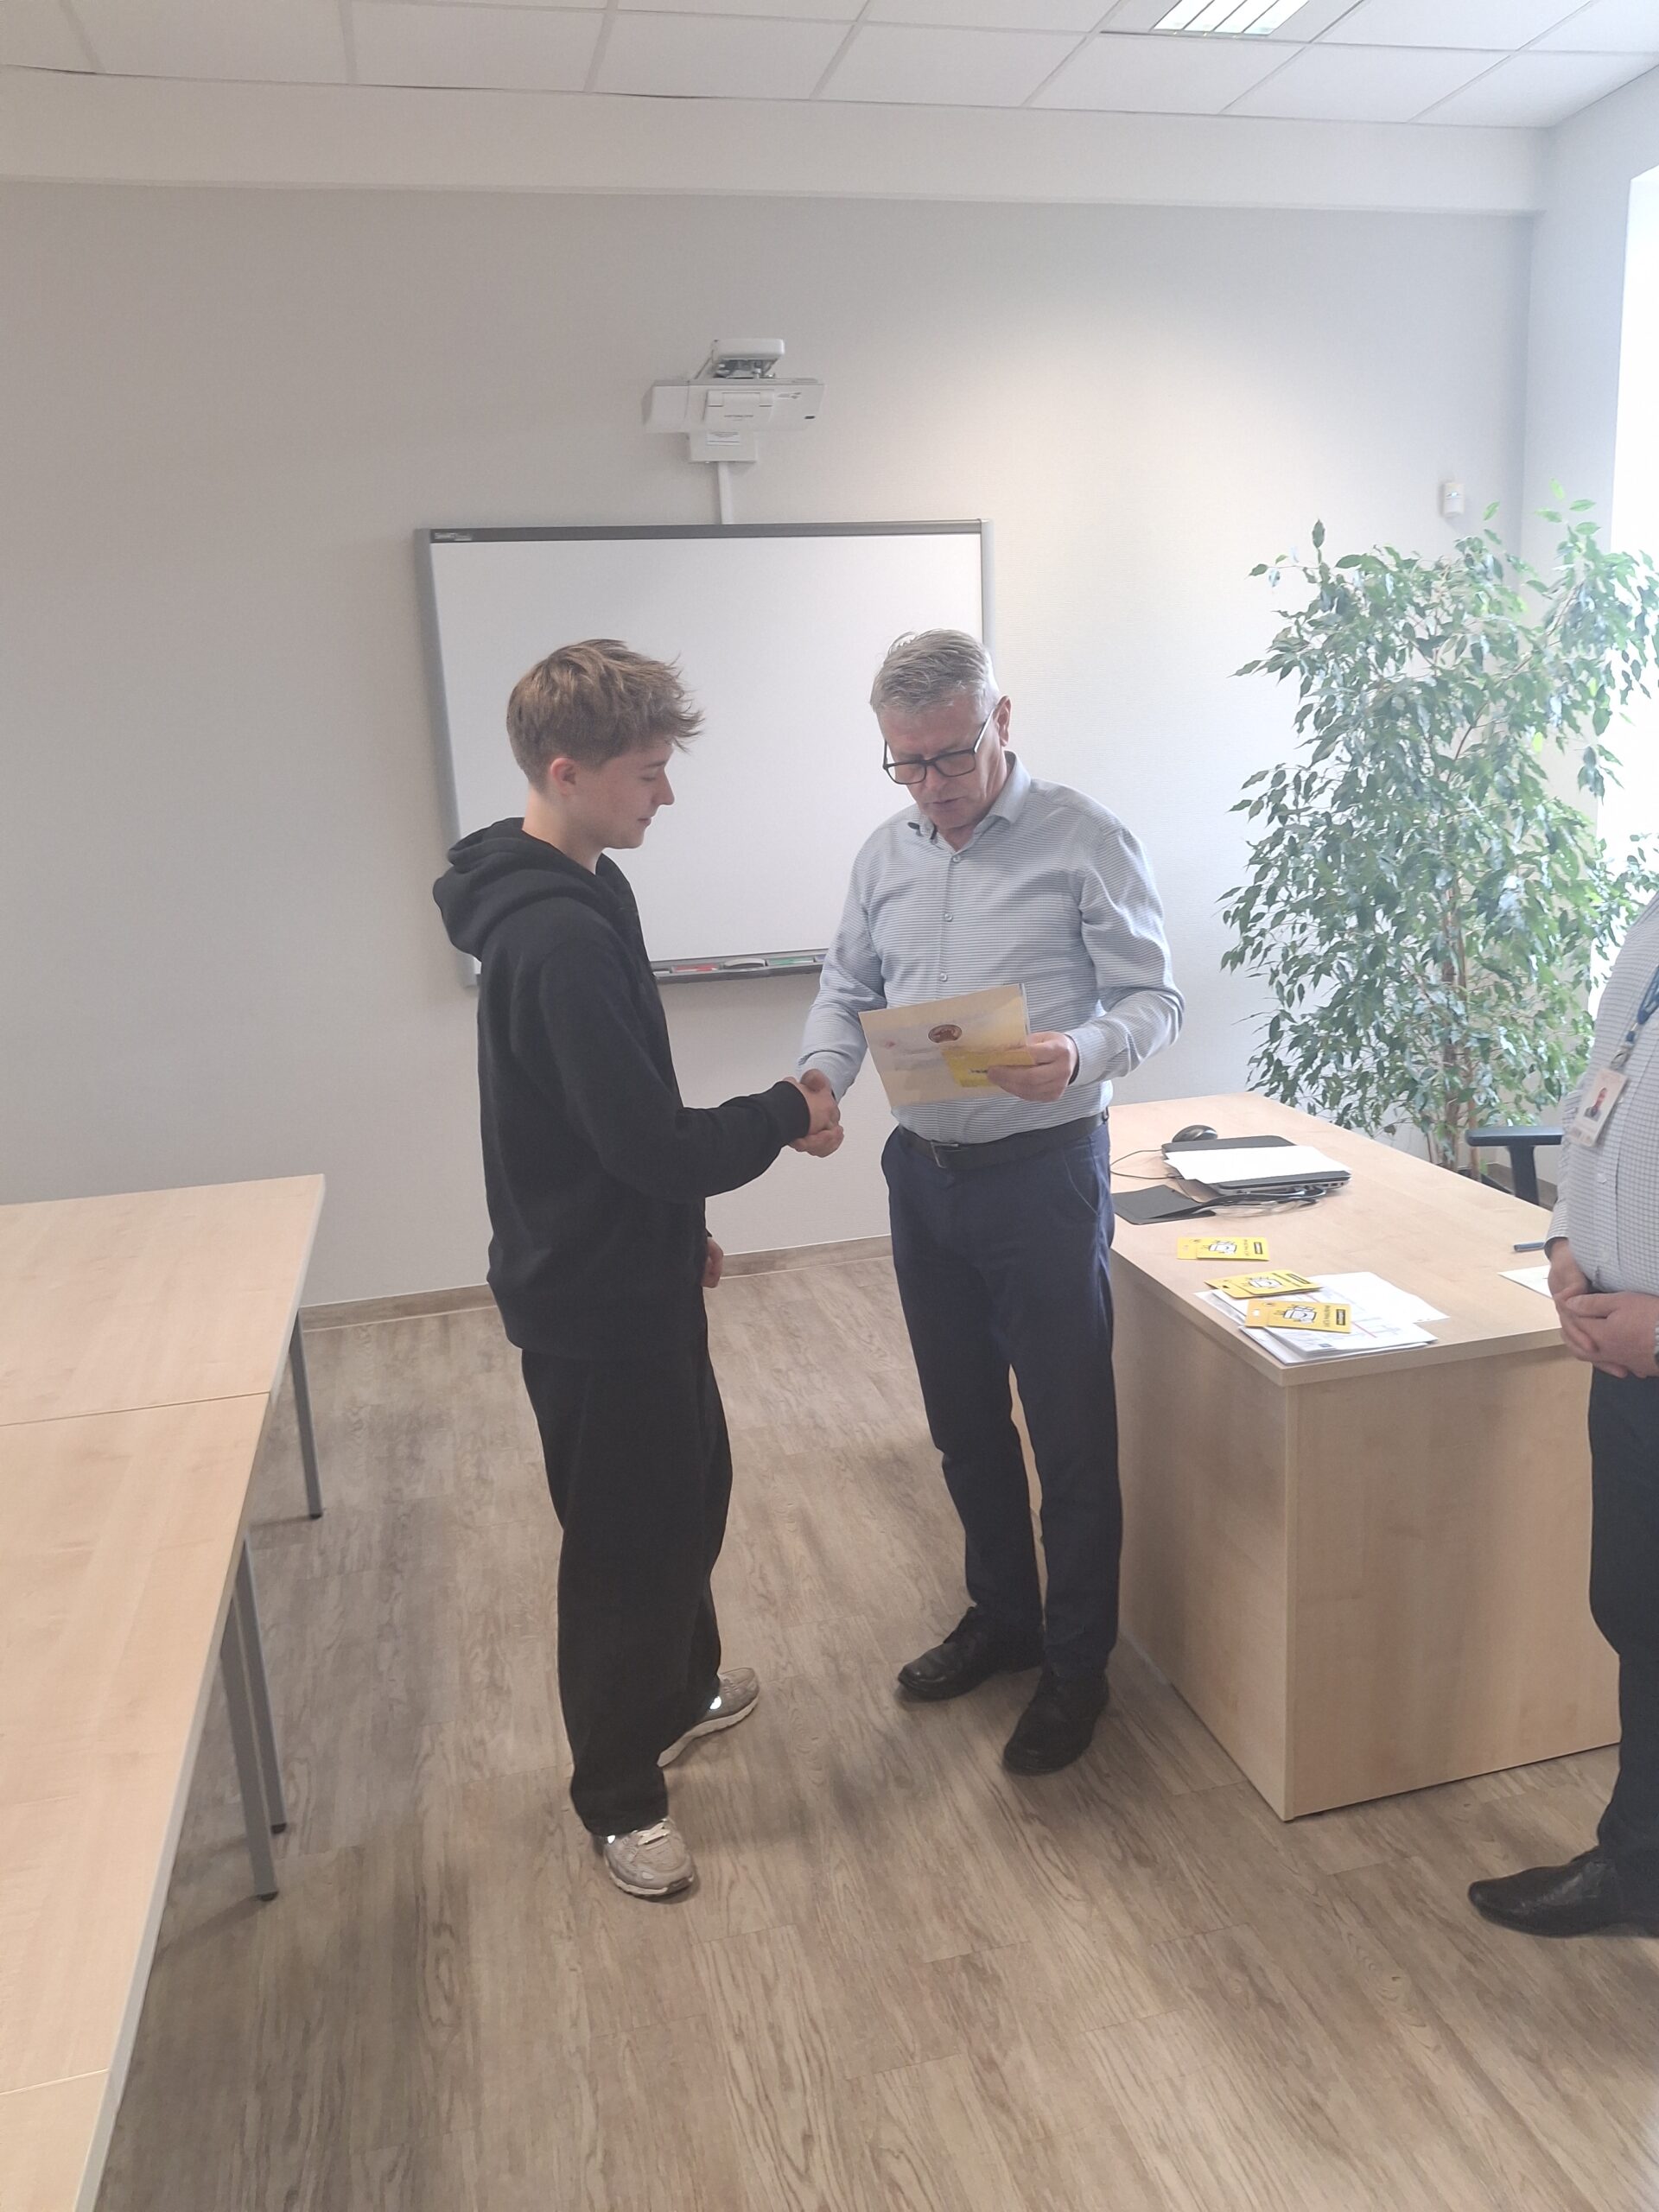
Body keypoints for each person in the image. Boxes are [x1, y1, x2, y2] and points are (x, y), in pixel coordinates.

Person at [433, 639, 839, 1899]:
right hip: (592, 1305)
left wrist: (673, 1232)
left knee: (692, 1490)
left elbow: (609, 1123)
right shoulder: (553, 937)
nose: (668, 792)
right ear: (568, 770)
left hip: (627, 1270)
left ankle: (681, 1690)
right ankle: (618, 1796)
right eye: (649, 771)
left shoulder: (590, 884)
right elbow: (652, 1142)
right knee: (626, 1548)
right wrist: (785, 1111)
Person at [797, 630, 1182, 1774]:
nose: (930, 785)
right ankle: (1004, 1616)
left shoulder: (1085, 837)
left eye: (950, 756)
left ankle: (1076, 1666)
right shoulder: (885, 854)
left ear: (1001, 721)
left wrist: (1080, 1051)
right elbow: (846, 984)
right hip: (924, 1177)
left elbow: (1154, 998)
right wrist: (821, 1076)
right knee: (963, 1422)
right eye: (906, 763)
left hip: (1043, 1176)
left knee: (1070, 1437)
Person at [1469, 895, 1659, 1938]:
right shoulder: (1651, 922)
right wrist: (1564, 1241)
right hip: (1621, 1349)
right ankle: (1640, 1867)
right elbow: (1604, 1100)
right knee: (1638, 1609)